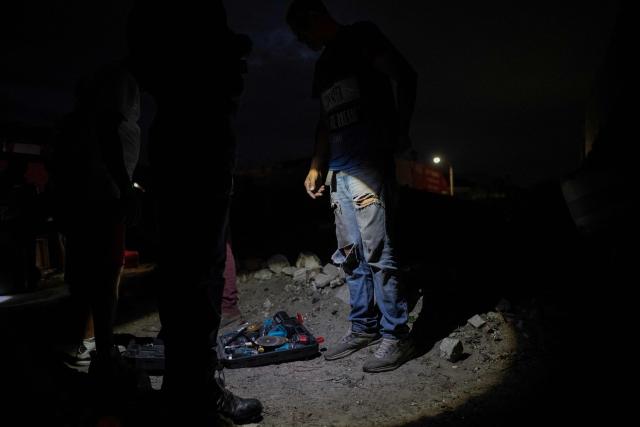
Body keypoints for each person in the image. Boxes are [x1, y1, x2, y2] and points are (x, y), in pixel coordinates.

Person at [126, 1, 262, 423]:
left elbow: (146, 62)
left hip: (189, 144)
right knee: (195, 274)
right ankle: (196, 393)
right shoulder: (184, 35)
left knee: (188, 273)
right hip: (194, 146)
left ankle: (186, 390)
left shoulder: (168, 28)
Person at [287, 0, 418, 373]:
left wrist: (402, 131)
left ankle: (397, 335)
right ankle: (364, 328)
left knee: (379, 251)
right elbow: (325, 120)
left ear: (316, 17)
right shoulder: (323, 65)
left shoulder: (362, 35)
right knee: (351, 255)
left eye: (302, 32)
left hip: (369, 162)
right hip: (339, 171)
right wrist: (316, 166)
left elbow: (406, 75)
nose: (304, 41)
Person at [52, 60, 146, 389]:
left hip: (82, 204)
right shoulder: (105, 118)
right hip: (101, 203)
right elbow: (109, 144)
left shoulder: (75, 122)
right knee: (105, 276)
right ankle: (103, 352)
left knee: (84, 277)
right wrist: (125, 189)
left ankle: (83, 343)